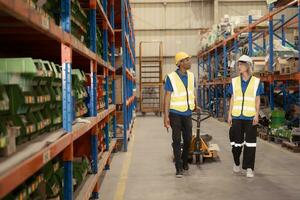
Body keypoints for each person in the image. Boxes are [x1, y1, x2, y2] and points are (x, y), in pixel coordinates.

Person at [227, 55, 264, 178]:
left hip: (250, 117)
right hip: (237, 116)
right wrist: (229, 114)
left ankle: (249, 167)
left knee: (250, 143)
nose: (239, 67)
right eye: (238, 64)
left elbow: (257, 99)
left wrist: (256, 115)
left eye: (241, 64)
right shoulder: (234, 81)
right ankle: (236, 162)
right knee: (236, 143)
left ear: (248, 66)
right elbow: (232, 98)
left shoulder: (256, 81)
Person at [164, 52, 197, 178]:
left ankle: (184, 161)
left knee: (188, 139)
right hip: (175, 113)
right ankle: (179, 168)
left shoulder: (191, 76)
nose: (190, 61)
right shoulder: (171, 77)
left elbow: (191, 92)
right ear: (180, 63)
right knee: (177, 140)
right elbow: (167, 97)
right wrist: (166, 116)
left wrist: (195, 104)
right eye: (187, 60)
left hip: (188, 112)